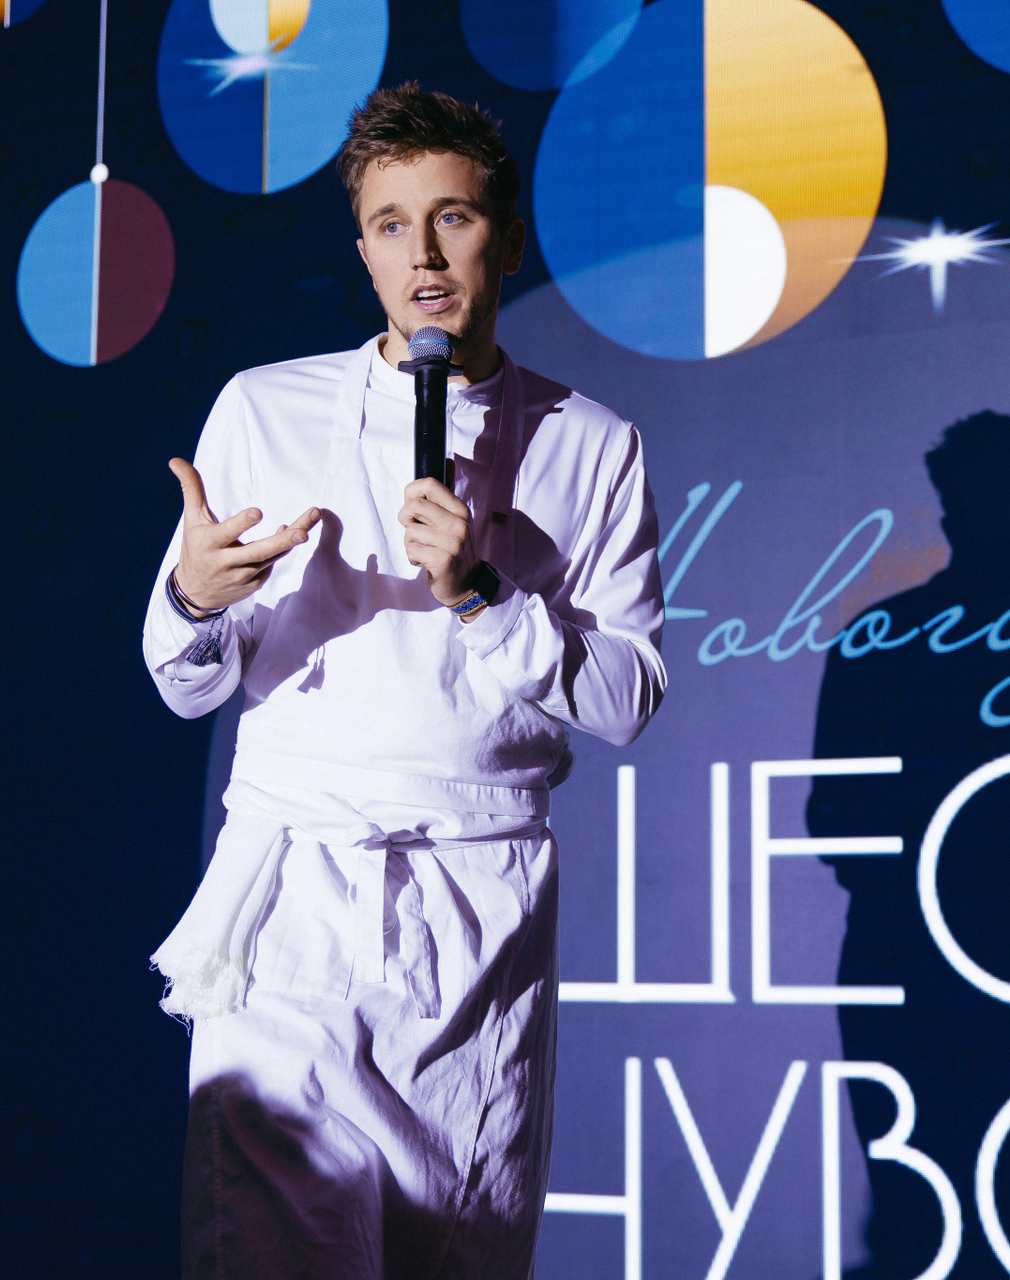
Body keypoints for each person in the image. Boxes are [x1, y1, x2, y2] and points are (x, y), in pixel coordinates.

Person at [140, 84, 666, 1278]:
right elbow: (183, 683)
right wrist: (196, 600)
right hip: (293, 901)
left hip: (479, 912)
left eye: (452, 218)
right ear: (364, 250)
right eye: (391, 224)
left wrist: (485, 595)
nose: (422, 254)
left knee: (453, 1249)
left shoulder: (594, 442)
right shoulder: (264, 408)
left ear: (509, 239)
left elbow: (629, 696)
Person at [807, 413, 1010, 1279]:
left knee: (921, 1219)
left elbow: (832, 823)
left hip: (906, 962)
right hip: (991, 963)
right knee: (995, 1219)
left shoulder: (877, 642)